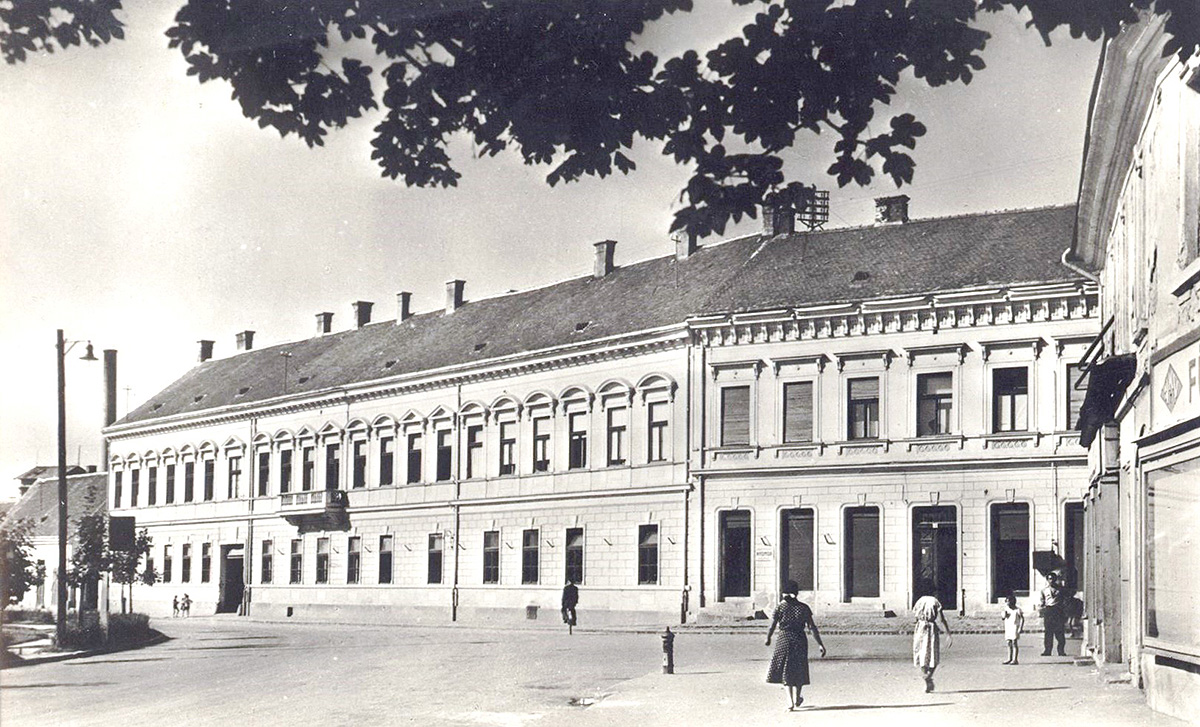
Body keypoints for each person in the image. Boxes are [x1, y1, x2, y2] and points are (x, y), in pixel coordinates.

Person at [765, 579, 827, 711]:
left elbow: (772, 625)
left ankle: (790, 701)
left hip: (784, 640)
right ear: (796, 593)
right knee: (799, 668)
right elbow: (812, 627)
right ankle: (797, 697)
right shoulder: (804, 608)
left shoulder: (780, 607)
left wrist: (768, 638)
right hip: (800, 640)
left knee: (786, 669)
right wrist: (820, 644)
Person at [912, 594, 953, 692]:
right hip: (931, 629)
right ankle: (929, 676)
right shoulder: (935, 601)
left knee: (921, 653)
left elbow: (915, 617)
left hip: (920, 628)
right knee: (933, 653)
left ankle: (925, 675)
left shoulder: (920, 600)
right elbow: (941, 619)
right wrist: (948, 633)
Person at [1037, 572, 1066, 656]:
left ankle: (1061, 650)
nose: (1051, 580)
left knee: (1059, 631)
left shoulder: (1061, 589)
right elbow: (1042, 601)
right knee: (1048, 632)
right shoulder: (1044, 590)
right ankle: (1047, 650)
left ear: (1055, 579)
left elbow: (1065, 599)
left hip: (1058, 610)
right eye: (1049, 579)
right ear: (1047, 580)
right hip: (1049, 610)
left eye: (1053, 579)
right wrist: (1041, 608)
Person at [1001, 593, 1025, 665]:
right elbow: (1003, 618)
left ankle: (1015, 659)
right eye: (1006, 601)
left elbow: (1022, 619)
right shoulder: (1006, 609)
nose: (1007, 603)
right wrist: (1004, 614)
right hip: (1008, 627)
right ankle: (1009, 658)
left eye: (1008, 601)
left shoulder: (1017, 610)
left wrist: (1020, 628)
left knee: (1014, 642)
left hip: (1015, 627)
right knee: (1009, 643)